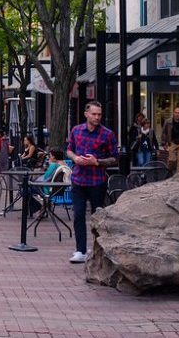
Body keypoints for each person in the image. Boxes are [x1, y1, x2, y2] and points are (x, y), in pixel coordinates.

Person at [66, 101, 118, 264]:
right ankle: (80, 250)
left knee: (98, 218)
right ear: (86, 114)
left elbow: (115, 159)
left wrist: (97, 162)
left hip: (97, 182)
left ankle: (99, 250)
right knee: (78, 215)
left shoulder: (107, 134)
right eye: (94, 114)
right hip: (78, 180)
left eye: (99, 114)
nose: (97, 117)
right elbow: (69, 149)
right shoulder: (76, 130)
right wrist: (75, 158)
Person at [162, 107, 179, 176]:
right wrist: (164, 142)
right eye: (176, 112)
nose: (177, 114)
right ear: (173, 113)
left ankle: (178, 177)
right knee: (172, 160)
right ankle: (170, 169)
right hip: (172, 143)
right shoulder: (168, 121)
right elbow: (164, 132)